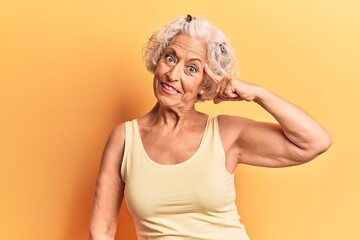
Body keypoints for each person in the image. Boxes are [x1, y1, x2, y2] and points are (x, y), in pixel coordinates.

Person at [89, 15, 332, 240]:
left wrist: (258, 94)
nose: (173, 74)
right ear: (158, 60)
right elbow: (102, 229)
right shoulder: (124, 138)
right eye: (170, 58)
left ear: (205, 84)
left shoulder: (226, 134)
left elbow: (315, 142)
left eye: (191, 69)